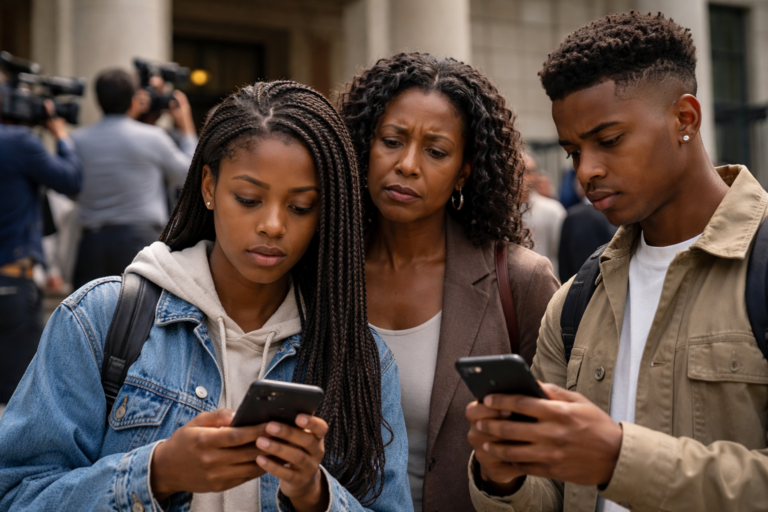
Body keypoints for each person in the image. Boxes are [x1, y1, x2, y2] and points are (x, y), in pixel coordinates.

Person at [0, 81, 412, 512]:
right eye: (249, 199)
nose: (273, 225)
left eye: (300, 207)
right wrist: (157, 473)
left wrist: (314, 495)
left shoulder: (357, 355)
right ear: (209, 187)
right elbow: (16, 494)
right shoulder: (99, 319)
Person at [466, 11, 768, 512]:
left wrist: (617, 459)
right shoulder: (575, 303)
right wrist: (504, 477)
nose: (586, 171)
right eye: (572, 151)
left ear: (685, 119)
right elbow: (551, 491)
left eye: (608, 141)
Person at [339, 52, 559, 512]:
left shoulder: (522, 281)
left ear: (464, 170)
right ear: (364, 146)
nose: (407, 165)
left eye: (436, 151)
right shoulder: (323, 269)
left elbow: (556, 464)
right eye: (392, 141)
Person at [70, 68, 196, 289]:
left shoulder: (77, 140)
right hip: (139, 243)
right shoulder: (153, 137)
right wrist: (186, 127)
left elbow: (70, 188)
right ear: (134, 99)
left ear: (97, 101)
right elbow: (188, 176)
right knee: (143, 310)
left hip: (91, 245)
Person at [0, 97, 82, 412]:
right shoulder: (19, 142)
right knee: (18, 400)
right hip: (11, 282)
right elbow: (71, 179)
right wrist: (60, 133)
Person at [557, 178, 617, 282]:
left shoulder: (571, 216)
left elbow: (563, 259)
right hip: (607, 281)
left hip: (576, 283)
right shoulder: (612, 214)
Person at [521, 153, 567, 274]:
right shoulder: (500, 212)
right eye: (518, 171)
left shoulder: (553, 210)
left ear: (537, 176)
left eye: (528, 172)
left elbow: (562, 254)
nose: (523, 177)